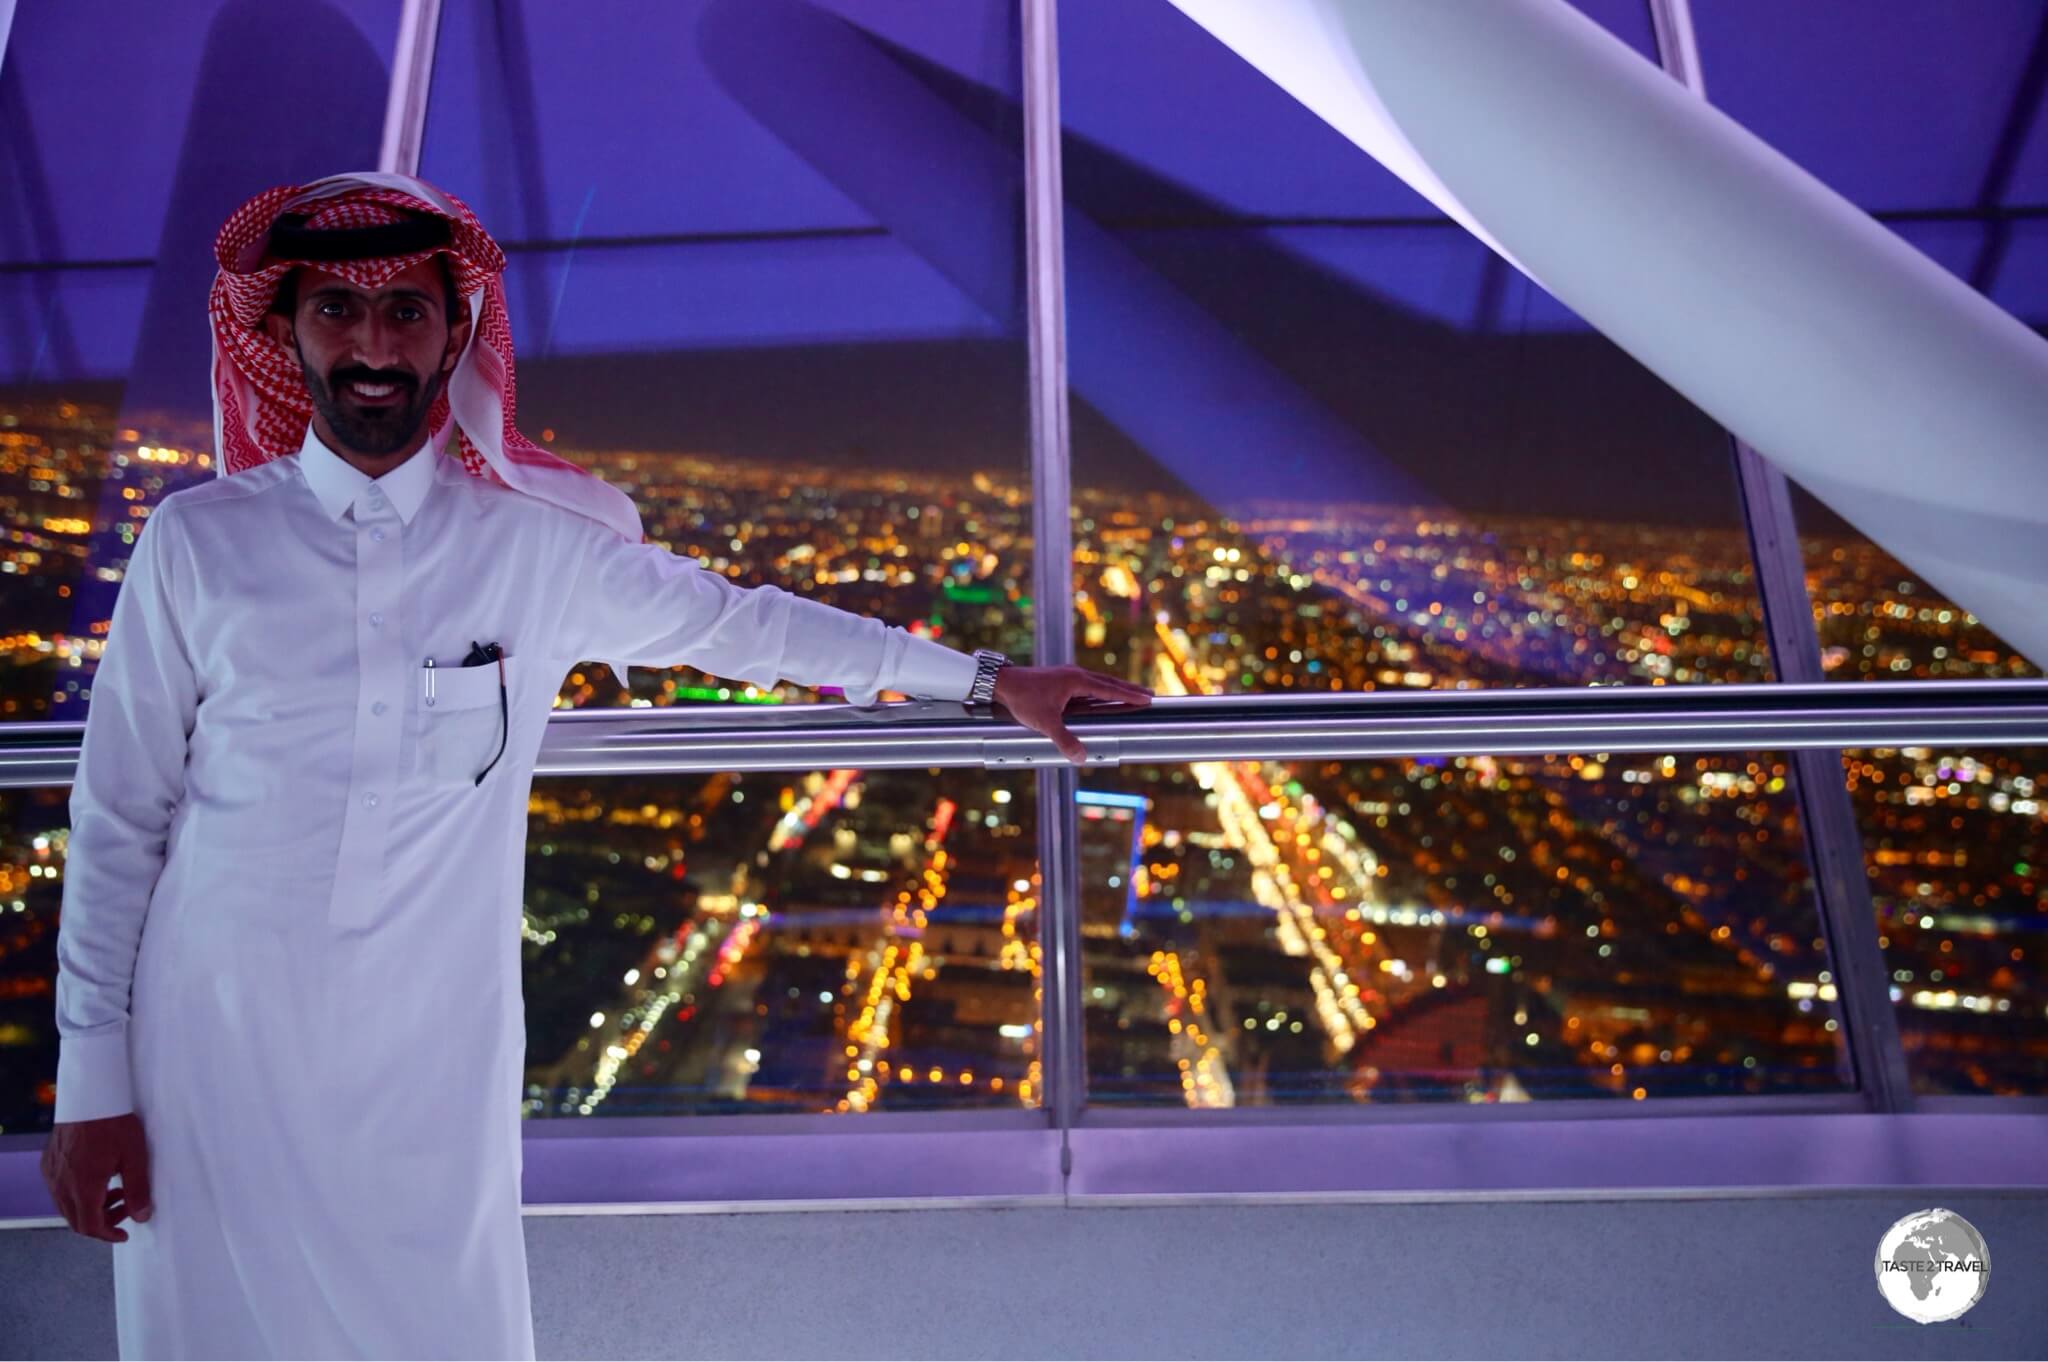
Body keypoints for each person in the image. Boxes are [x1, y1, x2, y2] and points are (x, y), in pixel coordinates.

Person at [39, 171, 1151, 1359]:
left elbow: (754, 629)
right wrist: (89, 1083)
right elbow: (120, 820)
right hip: (209, 1049)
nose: (371, 344)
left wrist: (990, 683)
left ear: (453, 333)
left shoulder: (535, 554)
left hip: (432, 1062)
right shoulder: (198, 545)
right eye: (336, 312)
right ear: (283, 330)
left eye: (405, 312)